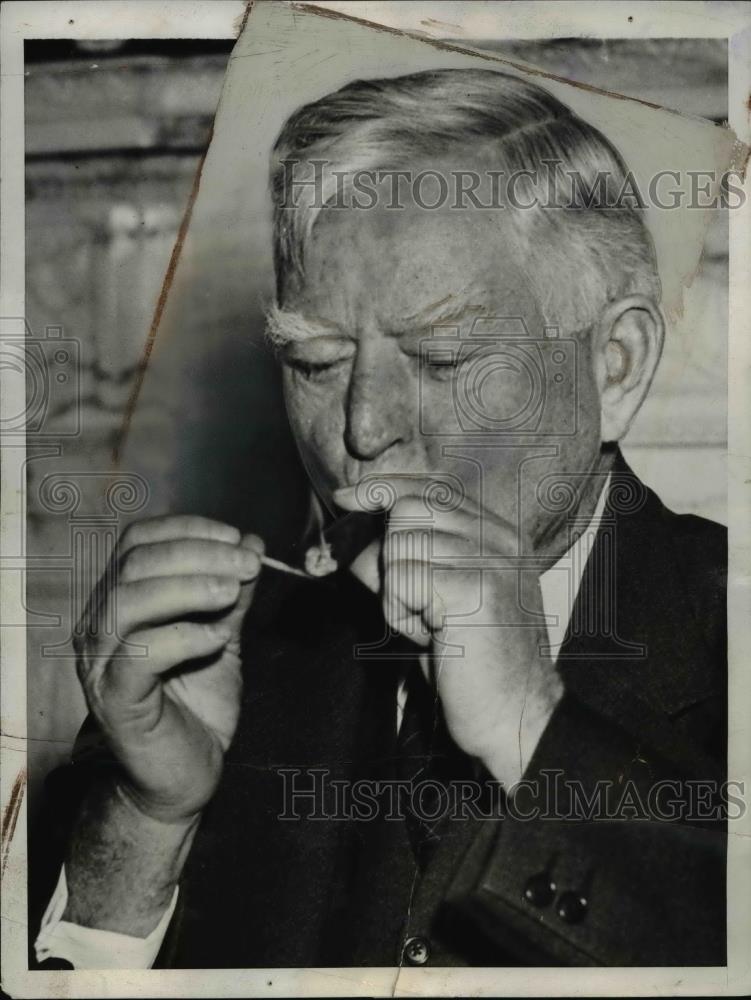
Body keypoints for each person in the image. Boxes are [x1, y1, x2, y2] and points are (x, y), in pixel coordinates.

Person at [32, 68, 727, 969]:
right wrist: (145, 815)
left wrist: (531, 729)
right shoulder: (213, 660)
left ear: (616, 366)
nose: (360, 428)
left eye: (441, 359)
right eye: (316, 362)